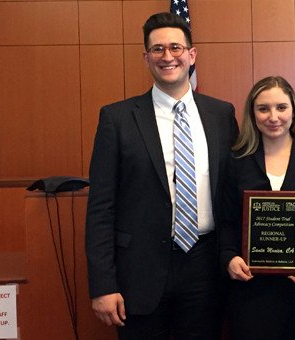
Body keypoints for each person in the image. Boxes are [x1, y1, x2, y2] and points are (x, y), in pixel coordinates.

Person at [85, 12, 238, 339]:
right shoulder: (117, 118)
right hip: (139, 270)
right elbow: (100, 207)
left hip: (205, 266)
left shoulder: (221, 115)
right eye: (157, 49)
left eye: (175, 48)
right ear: (146, 58)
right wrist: (102, 285)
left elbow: (231, 194)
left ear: (191, 54)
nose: (167, 57)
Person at [219, 76, 295, 339]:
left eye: (281, 107)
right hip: (249, 287)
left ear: (293, 110)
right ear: (252, 114)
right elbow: (226, 220)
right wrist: (229, 258)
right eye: (263, 108)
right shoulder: (236, 161)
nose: (273, 116)